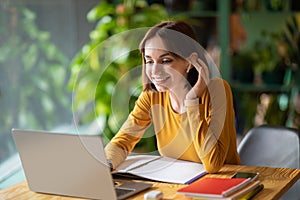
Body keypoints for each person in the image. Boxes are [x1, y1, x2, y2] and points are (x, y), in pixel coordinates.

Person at [104, 20, 241, 173]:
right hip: (177, 186)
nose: (154, 71)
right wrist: (107, 165)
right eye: (149, 61)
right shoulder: (152, 97)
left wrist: (192, 101)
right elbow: (121, 143)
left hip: (224, 185)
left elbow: (213, 164)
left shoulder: (217, 90)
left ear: (190, 62)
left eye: (165, 61)